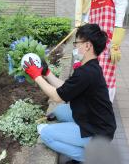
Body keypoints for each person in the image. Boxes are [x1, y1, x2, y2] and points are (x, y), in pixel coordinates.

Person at [23, 24, 116, 164]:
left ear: (87, 46)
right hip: (97, 120)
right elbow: (66, 89)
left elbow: (56, 96)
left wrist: (36, 76)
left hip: (98, 132)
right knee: (59, 111)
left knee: (47, 134)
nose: (75, 47)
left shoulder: (86, 73)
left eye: (76, 43)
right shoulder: (90, 67)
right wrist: (47, 73)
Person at [81, 0, 129, 102]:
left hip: (108, 43)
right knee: (91, 73)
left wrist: (115, 46)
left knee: (106, 76)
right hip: (92, 41)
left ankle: (105, 107)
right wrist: (82, 29)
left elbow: (119, 20)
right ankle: (92, 103)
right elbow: (89, 16)